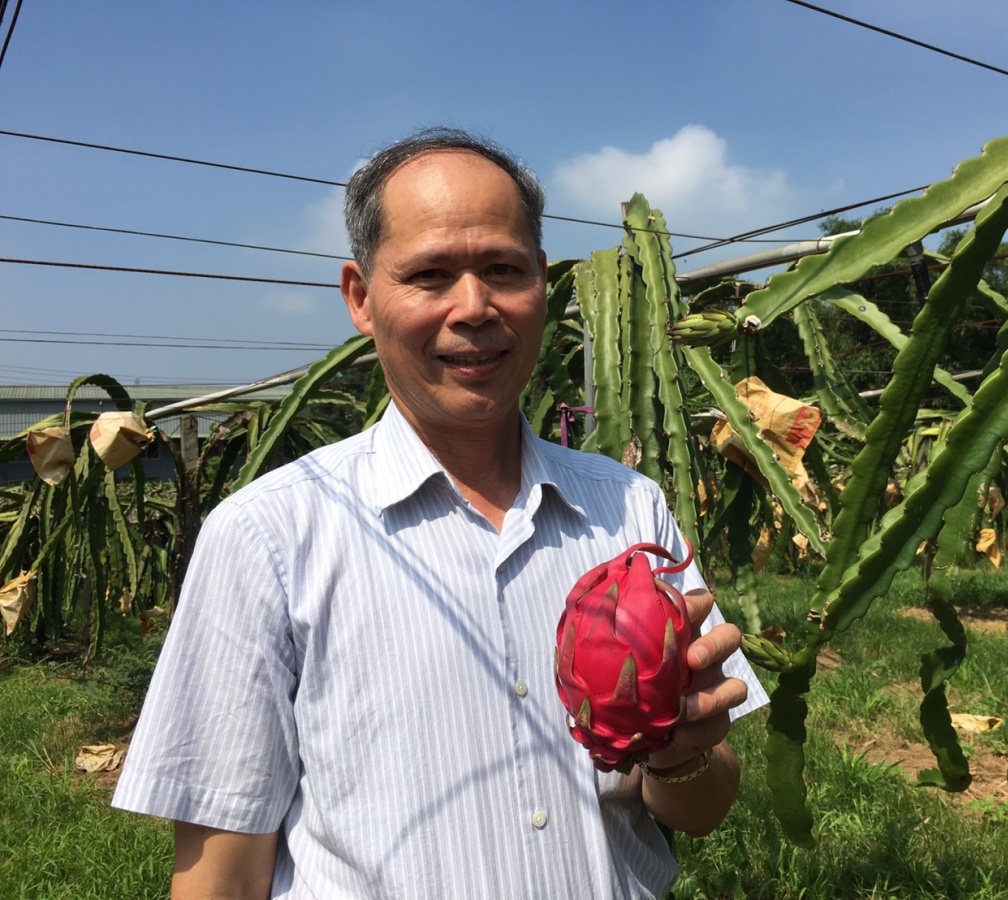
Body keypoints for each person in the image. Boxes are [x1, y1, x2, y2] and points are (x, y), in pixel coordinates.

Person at [113, 127, 767, 899]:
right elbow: (221, 872)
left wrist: (682, 752)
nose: (474, 307)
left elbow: (700, 809)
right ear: (361, 298)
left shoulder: (630, 507)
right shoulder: (266, 536)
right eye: (428, 275)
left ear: (543, 284)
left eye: (502, 269)